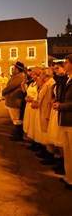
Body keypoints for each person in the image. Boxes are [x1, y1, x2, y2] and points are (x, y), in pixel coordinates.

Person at [53, 54, 72, 190]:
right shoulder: (68, 79)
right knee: (68, 151)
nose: (64, 64)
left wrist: (61, 106)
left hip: (70, 119)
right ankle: (69, 177)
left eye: (66, 62)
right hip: (66, 119)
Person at [2, 62, 26, 141]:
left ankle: (19, 135)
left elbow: (11, 86)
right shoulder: (16, 76)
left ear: (18, 69)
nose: (13, 69)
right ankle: (17, 133)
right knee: (14, 118)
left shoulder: (19, 76)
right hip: (12, 99)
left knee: (17, 118)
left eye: (15, 68)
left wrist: (4, 91)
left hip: (15, 100)